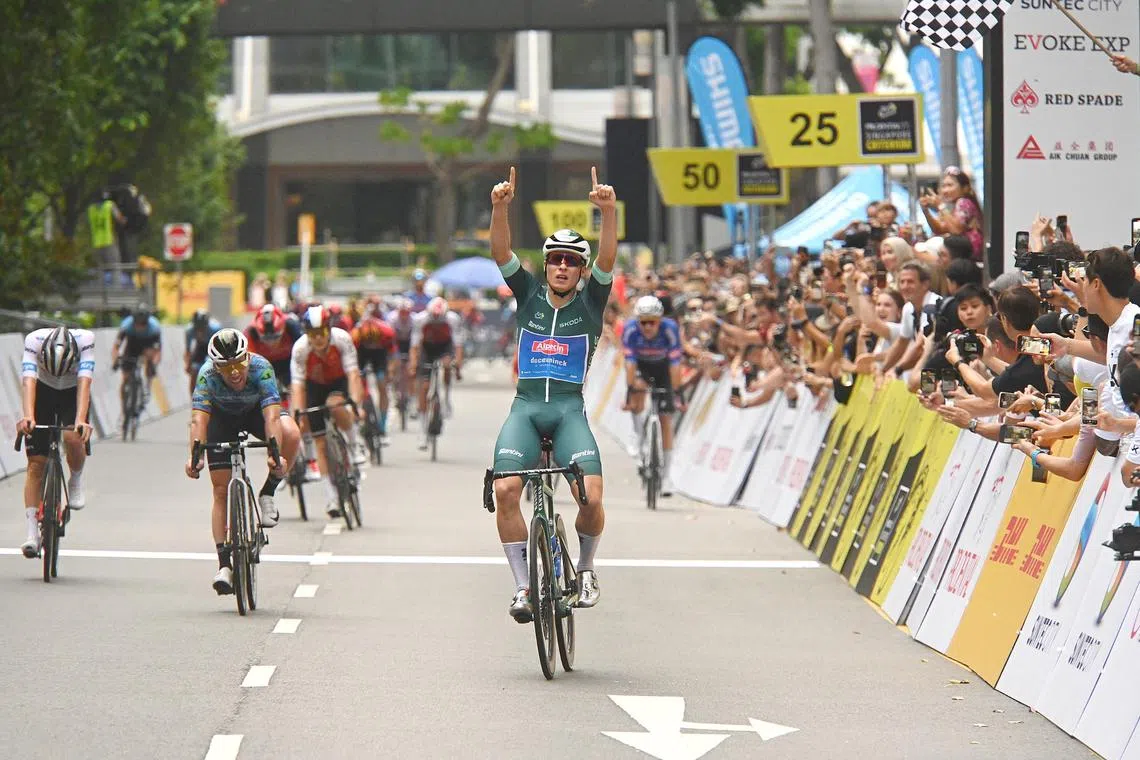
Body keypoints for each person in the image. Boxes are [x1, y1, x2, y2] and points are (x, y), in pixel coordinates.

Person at [488, 165, 617, 622]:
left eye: (571, 261)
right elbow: (500, 250)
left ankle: (584, 570)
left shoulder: (590, 302)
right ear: (545, 266)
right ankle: (523, 586)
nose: (562, 266)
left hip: (568, 412)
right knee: (505, 491)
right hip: (525, 410)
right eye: (555, 259)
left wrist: (607, 212)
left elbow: (608, 259)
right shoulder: (527, 295)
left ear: (581, 271)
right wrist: (500, 208)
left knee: (592, 498)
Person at [185, 329, 301, 595]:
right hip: (221, 420)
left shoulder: (262, 368)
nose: (234, 372)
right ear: (216, 366)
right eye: (226, 367)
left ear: (247, 358)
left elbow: (272, 418)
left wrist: (274, 454)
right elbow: (199, 420)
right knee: (219, 490)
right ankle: (224, 565)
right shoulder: (206, 375)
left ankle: (268, 492)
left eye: (239, 364)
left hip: (256, 414)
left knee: (292, 432)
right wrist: (194, 457)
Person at [17, 327, 96, 557]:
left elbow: (85, 384)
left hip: (72, 391)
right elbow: (29, 382)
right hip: (44, 390)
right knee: (36, 464)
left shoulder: (86, 341)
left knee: (73, 436)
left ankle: (76, 478)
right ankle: (32, 534)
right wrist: (28, 416)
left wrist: (80, 420)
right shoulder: (33, 340)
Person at [290, 305, 367, 518]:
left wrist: (356, 406)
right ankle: (331, 496)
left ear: (329, 330)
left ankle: (354, 444)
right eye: (312, 334)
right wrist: (298, 415)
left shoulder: (342, 339)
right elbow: (298, 387)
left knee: (336, 404)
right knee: (320, 443)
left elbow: (353, 375)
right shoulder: (300, 349)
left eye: (321, 333)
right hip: (314, 385)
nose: (317, 339)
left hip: (338, 381)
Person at [621, 295, 684, 496]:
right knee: (638, 390)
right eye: (644, 322)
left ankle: (666, 478)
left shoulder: (670, 329)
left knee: (666, 419)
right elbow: (629, 365)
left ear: (660, 320)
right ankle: (638, 435)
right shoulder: (630, 330)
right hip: (642, 367)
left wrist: (677, 394)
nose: (648, 327)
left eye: (652, 322)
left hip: (664, 368)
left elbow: (676, 366)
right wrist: (630, 392)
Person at [407, 296, 465, 450]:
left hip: (444, 347)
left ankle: (445, 399)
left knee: (447, 365)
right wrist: (414, 365)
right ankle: (422, 431)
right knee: (424, 388)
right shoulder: (421, 319)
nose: (437, 319)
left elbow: (458, 345)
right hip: (427, 348)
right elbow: (414, 345)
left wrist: (458, 367)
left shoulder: (453, 319)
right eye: (434, 317)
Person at [919, 167, 984, 261]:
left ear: (965, 188)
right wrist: (925, 211)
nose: (945, 191)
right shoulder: (957, 205)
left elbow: (956, 230)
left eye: (950, 185)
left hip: (968, 260)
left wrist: (940, 206)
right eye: (943, 186)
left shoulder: (964, 202)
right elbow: (939, 229)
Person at [352, 303, 397, 436]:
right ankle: (360, 413)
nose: (371, 344)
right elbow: (350, 361)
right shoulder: (355, 336)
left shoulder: (387, 333)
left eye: (373, 342)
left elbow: (393, 355)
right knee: (358, 385)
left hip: (380, 355)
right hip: (361, 354)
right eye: (368, 342)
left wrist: (390, 371)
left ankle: (382, 423)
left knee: (382, 385)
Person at [111, 303, 162, 411]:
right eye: (137, 323)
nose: (139, 326)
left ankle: (147, 385)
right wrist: (115, 360)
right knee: (125, 377)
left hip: (148, 343)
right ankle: (124, 407)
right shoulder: (126, 325)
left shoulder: (154, 327)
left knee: (149, 359)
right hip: (132, 343)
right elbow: (116, 346)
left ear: (147, 321)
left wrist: (154, 364)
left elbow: (157, 351)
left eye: (143, 323)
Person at [185, 309, 222, 396]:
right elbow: (188, 350)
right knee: (194, 371)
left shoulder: (216, 328)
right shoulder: (189, 331)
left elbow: (221, 349)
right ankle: (193, 399)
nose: (200, 331)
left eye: (202, 328)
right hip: (201, 347)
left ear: (207, 325)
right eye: (197, 328)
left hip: (215, 348)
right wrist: (188, 365)